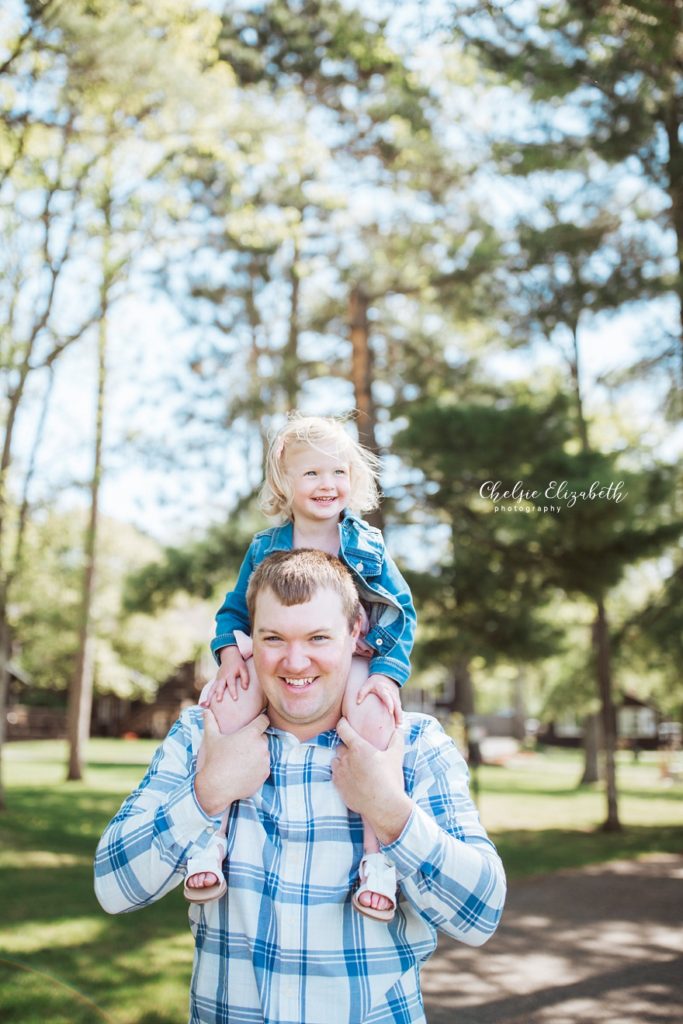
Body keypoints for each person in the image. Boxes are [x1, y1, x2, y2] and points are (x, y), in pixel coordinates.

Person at [94, 549, 506, 1024]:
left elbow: (481, 915)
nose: (294, 661)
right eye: (273, 638)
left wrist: (390, 811)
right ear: (249, 638)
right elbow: (113, 887)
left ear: (356, 634)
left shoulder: (412, 745)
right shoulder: (202, 736)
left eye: (317, 637)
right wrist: (210, 791)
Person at [186, 414, 416, 919]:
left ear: (352, 479)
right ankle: (210, 840)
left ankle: (379, 862)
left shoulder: (368, 547)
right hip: (276, 659)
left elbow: (401, 611)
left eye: (337, 472)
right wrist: (229, 655)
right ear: (283, 483)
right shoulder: (266, 548)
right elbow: (233, 613)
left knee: (375, 718)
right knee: (225, 706)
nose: (325, 484)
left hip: (350, 659)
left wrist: (386, 672)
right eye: (310, 473)